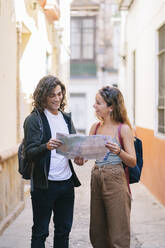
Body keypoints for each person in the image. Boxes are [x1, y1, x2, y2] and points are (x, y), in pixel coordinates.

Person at [74, 86, 136, 248]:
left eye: (98, 103)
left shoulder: (124, 129)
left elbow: (132, 161)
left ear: (111, 107)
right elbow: (87, 155)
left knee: (118, 233)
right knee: (97, 232)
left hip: (116, 180)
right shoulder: (95, 128)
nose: (94, 106)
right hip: (96, 179)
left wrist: (119, 151)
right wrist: (81, 159)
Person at [23, 75, 81, 248]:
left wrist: (79, 157)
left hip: (66, 183)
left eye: (59, 94)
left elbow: (73, 149)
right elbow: (29, 153)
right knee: (40, 232)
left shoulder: (66, 119)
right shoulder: (34, 120)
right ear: (43, 96)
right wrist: (46, 146)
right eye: (52, 95)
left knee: (63, 231)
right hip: (44, 185)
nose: (57, 98)